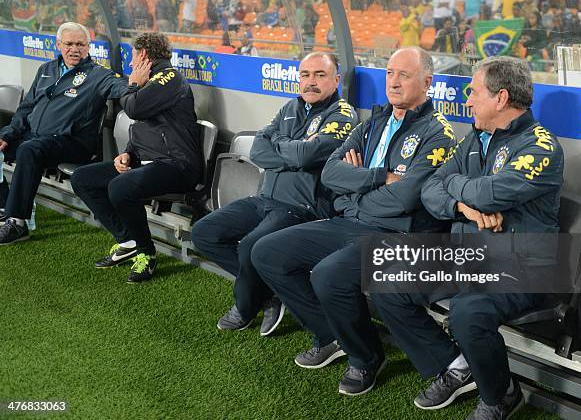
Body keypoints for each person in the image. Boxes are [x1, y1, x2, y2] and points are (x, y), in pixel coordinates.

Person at [251, 47, 456, 396]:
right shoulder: (373, 122)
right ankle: (334, 334)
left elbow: (406, 197)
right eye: (390, 73)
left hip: (396, 233)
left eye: (404, 75)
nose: (394, 81)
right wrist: (376, 177)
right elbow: (331, 172)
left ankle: (365, 357)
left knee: (329, 274)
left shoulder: (439, 135)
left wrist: (355, 187)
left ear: (427, 82)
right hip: (351, 219)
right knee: (267, 252)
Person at [372, 56, 564, 419]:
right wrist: (463, 207)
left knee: (468, 310)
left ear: (501, 98)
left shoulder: (540, 146)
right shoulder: (475, 137)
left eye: (474, 92)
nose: (468, 100)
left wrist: (457, 187)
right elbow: (430, 189)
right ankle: (457, 366)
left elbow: (491, 194)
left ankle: (501, 396)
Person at [191, 52, 358, 336]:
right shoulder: (289, 108)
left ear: (336, 80)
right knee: (204, 232)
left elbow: (308, 156)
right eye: (305, 75)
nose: (311, 82)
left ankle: (245, 306)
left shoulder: (343, 115)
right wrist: (293, 146)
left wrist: (280, 144)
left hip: (301, 207)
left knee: (250, 247)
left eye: (320, 75)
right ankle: (268, 292)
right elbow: (258, 149)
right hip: (264, 198)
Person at [70, 33, 202, 284]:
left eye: (132, 56)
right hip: (147, 162)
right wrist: (128, 154)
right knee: (82, 178)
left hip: (177, 165)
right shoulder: (151, 81)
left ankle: (146, 253)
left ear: (143, 55)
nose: (130, 64)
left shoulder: (169, 77)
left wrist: (132, 84)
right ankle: (127, 240)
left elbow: (134, 109)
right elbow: (143, 126)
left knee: (121, 186)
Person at [0, 22, 128, 245]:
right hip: (36, 137)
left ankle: (18, 223)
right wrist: (9, 133)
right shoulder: (46, 70)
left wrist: (139, 82)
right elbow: (27, 107)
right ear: (59, 45)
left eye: (80, 44)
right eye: (69, 44)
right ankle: (5, 206)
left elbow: (122, 87)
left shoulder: (98, 75)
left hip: (71, 142)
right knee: (17, 144)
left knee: (29, 149)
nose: (74, 49)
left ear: (88, 47)